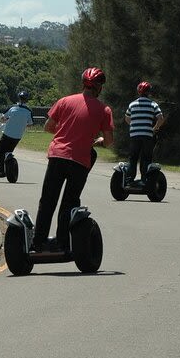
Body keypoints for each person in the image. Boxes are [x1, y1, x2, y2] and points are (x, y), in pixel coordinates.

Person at [32, 67, 114, 252]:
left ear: (83, 83)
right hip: (79, 160)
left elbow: (48, 127)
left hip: (57, 156)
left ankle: (39, 242)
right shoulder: (104, 110)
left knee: (47, 200)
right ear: (99, 87)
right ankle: (62, 242)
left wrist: (65, 132)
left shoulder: (64, 101)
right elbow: (108, 142)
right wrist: (97, 141)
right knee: (69, 202)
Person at [125, 81, 163, 184]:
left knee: (133, 158)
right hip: (147, 135)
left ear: (138, 92)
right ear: (149, 92)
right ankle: (144, 180)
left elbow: (127, 118)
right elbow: (160, 118)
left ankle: (129, 180)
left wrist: (133, 126)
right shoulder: (153, 104)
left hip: (134, 135)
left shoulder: (132, 104)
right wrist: (154, 128)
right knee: (146, 157)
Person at [0, 90, 34, 172]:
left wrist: (8, 120)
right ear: (27, 100)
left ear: (19, 98)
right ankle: (1, 168)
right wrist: (21, 124)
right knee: (8, 152)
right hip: (17, 136)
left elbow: (2, 118)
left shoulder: (12, 108)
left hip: (7, 134)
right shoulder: (29, 111)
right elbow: (30, 124)